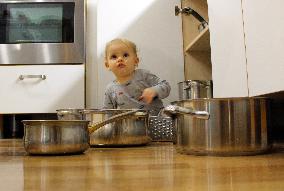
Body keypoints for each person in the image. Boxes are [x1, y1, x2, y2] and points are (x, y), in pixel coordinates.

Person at [103, 38, 171, 116]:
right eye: (114, 56)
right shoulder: (110, 89)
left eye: (125, 55)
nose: (120, 59)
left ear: (136, 61)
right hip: (129, 126)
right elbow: (108, 114)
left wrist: (154, 90)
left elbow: (166, 86)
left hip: (155, 123)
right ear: (107, 65)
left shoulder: (144, 75)